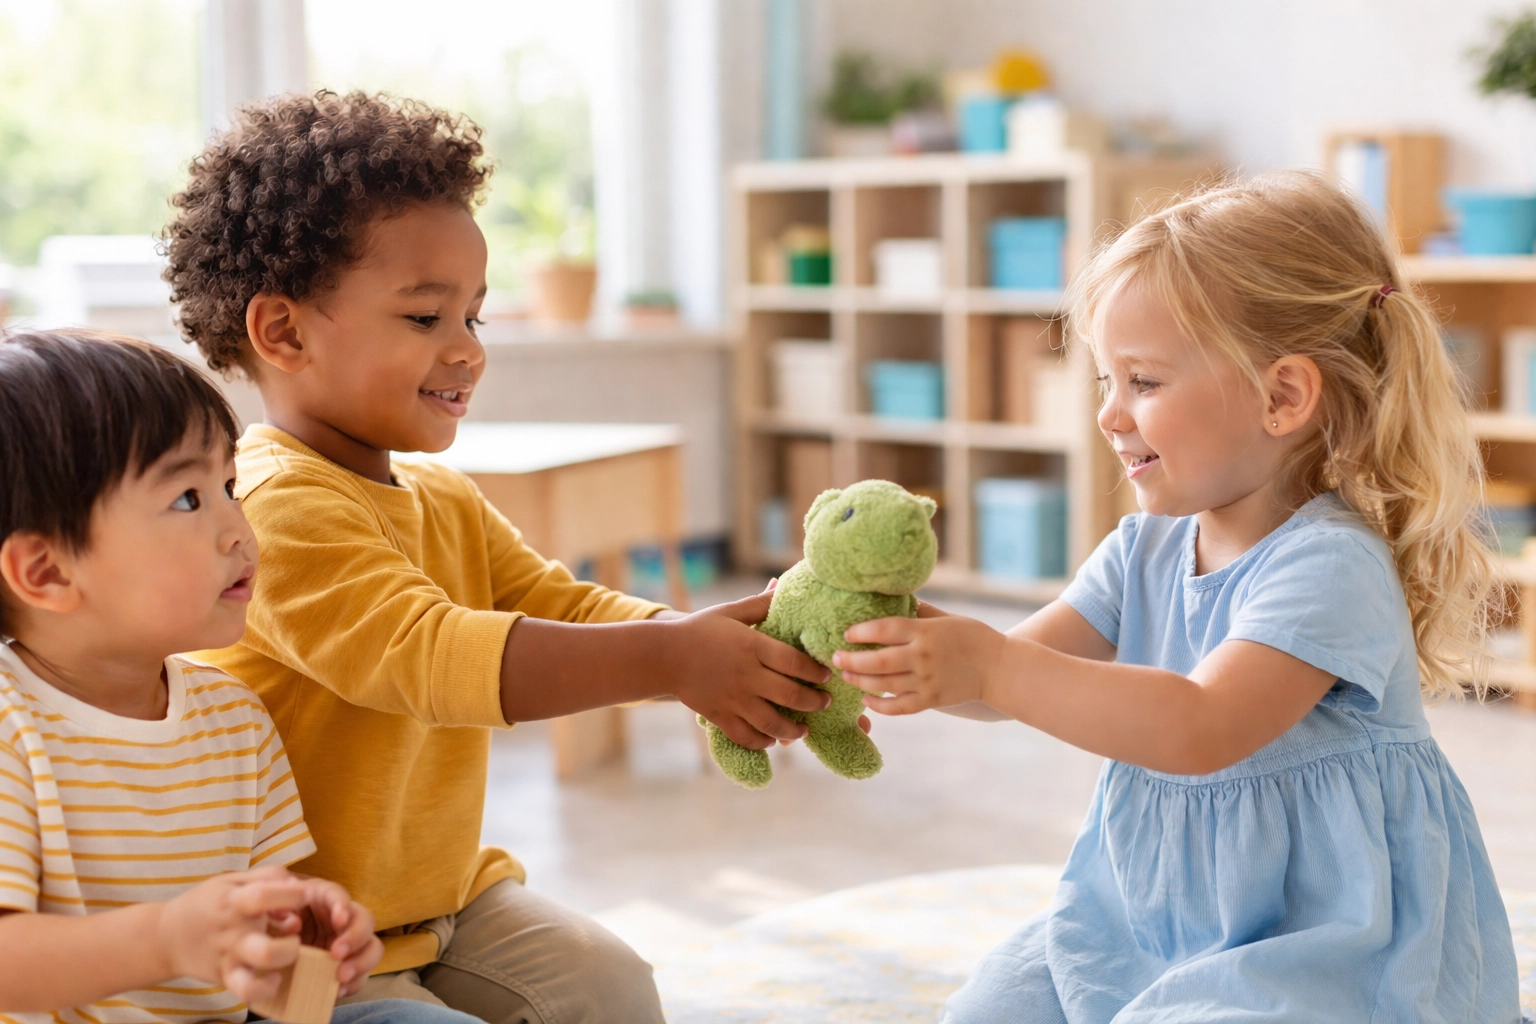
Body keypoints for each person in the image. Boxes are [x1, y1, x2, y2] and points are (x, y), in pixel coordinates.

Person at [161, 90, 833, 1024]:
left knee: (612, 985)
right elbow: (432, 655)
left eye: (473, 318)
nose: (467, 352)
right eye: (424, 318)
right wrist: (674, 658)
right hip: (307, 945)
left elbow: (560, 606)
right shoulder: (271, 505)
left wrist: (700, 639)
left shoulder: (442, 497)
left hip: (442, 898)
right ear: (284, 332)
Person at [835, 171, 1520, 1023]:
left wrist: (989, 667)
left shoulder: (1330, 564)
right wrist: (894, 644)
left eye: (1144, 383)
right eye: (1105, 381)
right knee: (987, 1009)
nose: (1109, 415)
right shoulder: (1143, 550)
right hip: (1144, 921)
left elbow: (1201, 727)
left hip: (1319, 944)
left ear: (1282, 396)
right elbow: (1004, 678)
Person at [0, 330, 485, 1024]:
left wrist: (305, 937)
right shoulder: (11, 726)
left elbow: (267, 962)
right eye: (187, 499)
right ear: (46, 571)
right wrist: (167, 939)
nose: (240, 527)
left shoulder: (234, 718)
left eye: (228, 487)